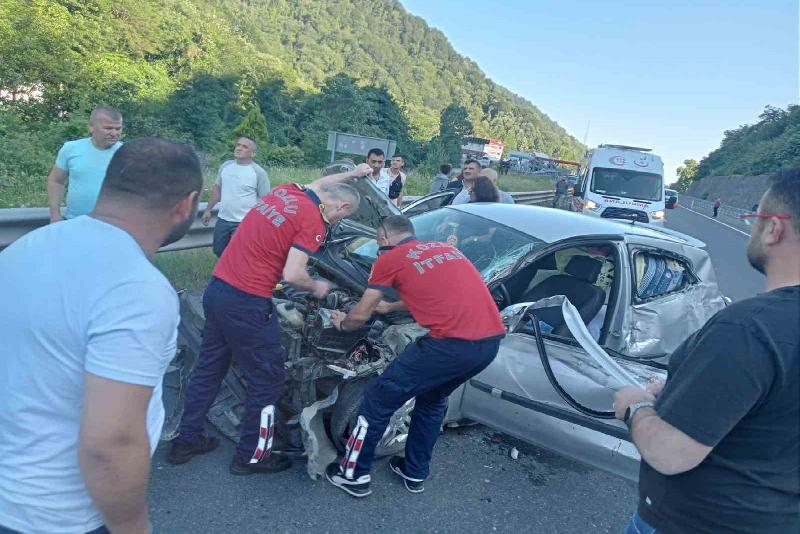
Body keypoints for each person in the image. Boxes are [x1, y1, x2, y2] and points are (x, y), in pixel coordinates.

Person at [0, 138, 202, 534]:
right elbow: (110, 443)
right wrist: (132, 527)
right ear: (186, 204)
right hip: (58, 514)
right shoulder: (136, 288)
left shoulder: (24, 248)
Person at [614, 168, 799, 534]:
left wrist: (635, 406)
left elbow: (670, 453)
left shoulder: (749, 328)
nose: (751, 228)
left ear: (774, 228)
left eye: (755, 218)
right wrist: (681, 395)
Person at [168, 162, 372, 476]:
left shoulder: (286, 192)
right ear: (341, 206)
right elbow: (292, 274)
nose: (337, 221)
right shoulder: (313, 221)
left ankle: (186, 441)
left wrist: (353, 175)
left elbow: (321, 182)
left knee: (209, 368)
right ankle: (252, 457)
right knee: (268, 380)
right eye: (342, 216)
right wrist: (316, 286)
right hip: (247, 303)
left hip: (218, 289)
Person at [324, 215, 505, 498]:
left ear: (383, 238)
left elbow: (359, 315)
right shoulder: (445, 249)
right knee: (432, 401)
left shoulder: (389, 258)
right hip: (488, 345)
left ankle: (353, 474)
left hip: (448, 346)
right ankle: (414, 471)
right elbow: (431, 289)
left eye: (377, 241)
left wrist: (342, 323)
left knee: (378, 399)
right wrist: (388, 308)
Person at [47, 106, 124, 222]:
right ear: (91, 127)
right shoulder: (71, 149)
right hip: (75, 222)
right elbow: (56, 181)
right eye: (108, 128)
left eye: (118, 129)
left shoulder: (126, 153)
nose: (114, 133)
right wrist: (55, 214)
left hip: (114, 224)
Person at [202, 136, 271, 257]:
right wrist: (208, 210)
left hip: (243, 222)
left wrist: (258, 223)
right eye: (238, 145)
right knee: (218, 250)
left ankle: (233, 275)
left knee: (236, 254)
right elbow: (217, 189)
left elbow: (265, 200)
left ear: (253, 153)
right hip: (223, 219)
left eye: (244, 147)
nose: (239, 148)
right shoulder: (225, 166)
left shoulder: (258, 173)